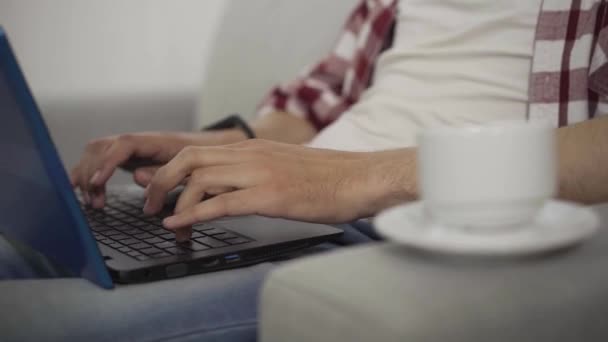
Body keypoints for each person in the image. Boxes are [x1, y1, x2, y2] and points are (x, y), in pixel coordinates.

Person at [2, 1, 607, 341]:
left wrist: (344, 180)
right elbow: (319, 103)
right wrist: (209, 145)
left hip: (419, 228)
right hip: (299, 211)